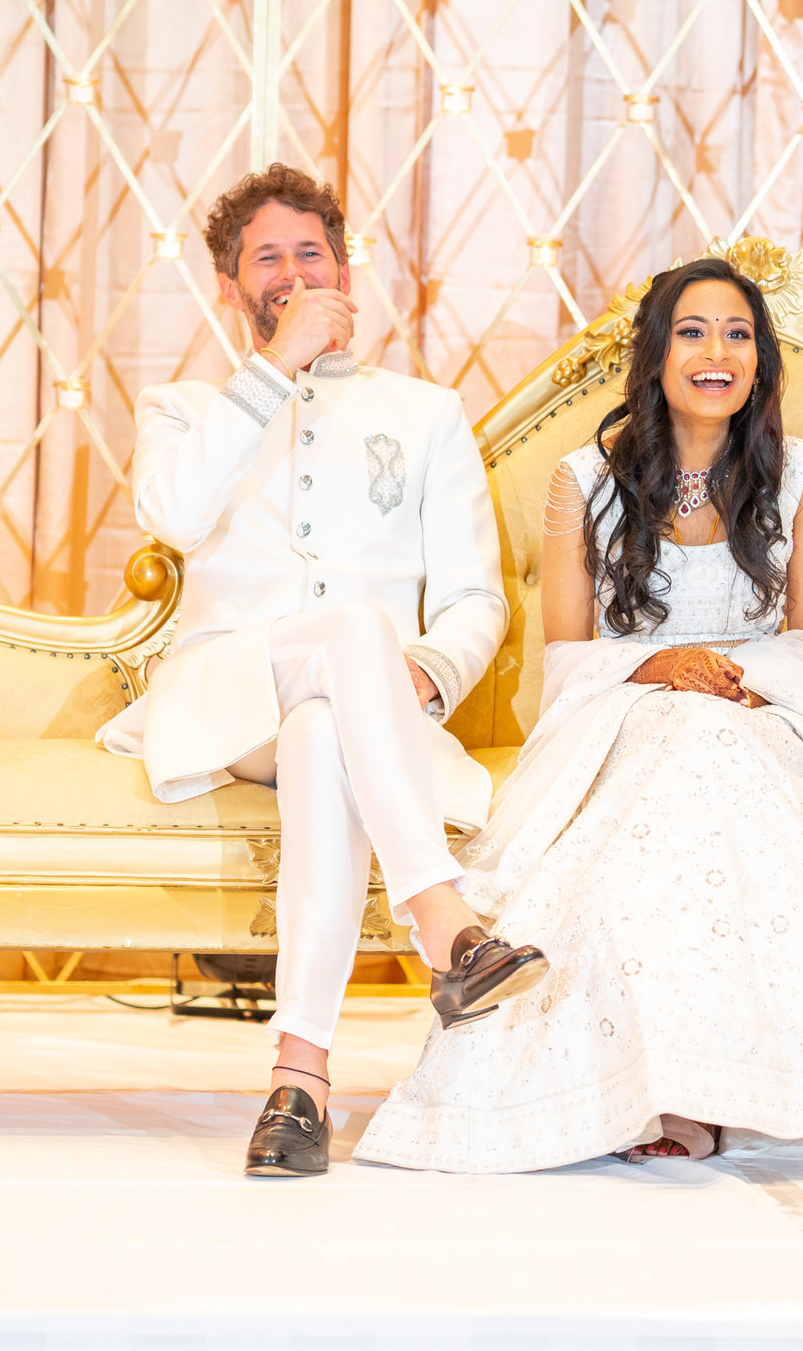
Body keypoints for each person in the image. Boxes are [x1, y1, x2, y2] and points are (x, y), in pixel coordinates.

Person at [354, 256, 803, 1176]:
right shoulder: (583, 482)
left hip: (759, 714)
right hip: (621, 714)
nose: (716, 352)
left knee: (712, 746)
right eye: (692, 332)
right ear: (655, 353)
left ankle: (724, 1082)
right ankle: (645, 1084)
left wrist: (729, 684)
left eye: (737, 335)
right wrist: (659, 666)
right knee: (675, 748)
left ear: (760, 361)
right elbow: (565, 659)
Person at [98, 163, 546, 1179]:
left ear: (345, 270)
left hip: (358, 714)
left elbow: (475, 600)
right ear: (231, 286)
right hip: (224, 697)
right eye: (269, 257)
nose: (293, 271)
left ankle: (297, 1086)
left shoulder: (427, 414)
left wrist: (422, 679)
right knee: (348, 633)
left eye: (312, 253)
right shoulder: (184, 411)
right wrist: (273, 372)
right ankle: (446, 920)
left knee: (322, 730)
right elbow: (171, 516)